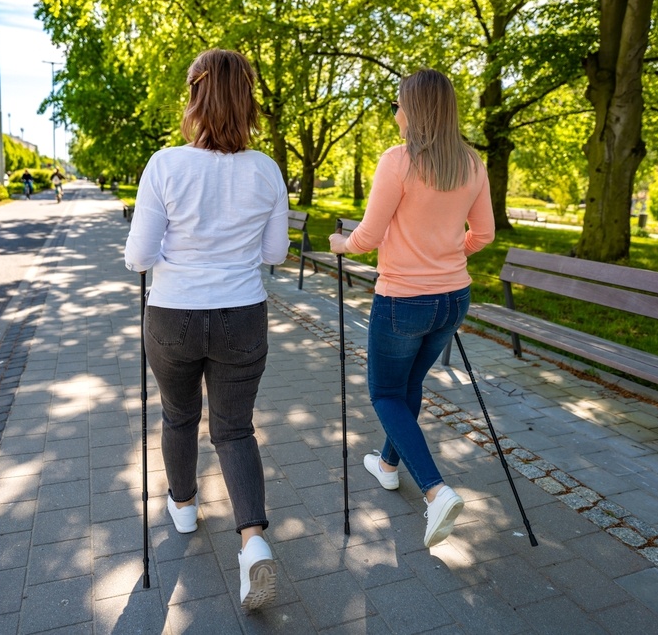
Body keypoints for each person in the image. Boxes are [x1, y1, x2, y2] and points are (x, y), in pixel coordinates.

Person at [124, 48, 289, 611]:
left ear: (195, 95)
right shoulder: (266, 169)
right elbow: (275, 253)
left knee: (178, 415)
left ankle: (185, 506)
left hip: (173, 314)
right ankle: (254, 541)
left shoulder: (166, 164)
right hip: (243, 313)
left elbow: (139, 258)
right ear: (247, 100)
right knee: (235, 429)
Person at [329, 68, 495, 548]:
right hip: (454, 299)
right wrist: (445, 255)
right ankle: (386, 465)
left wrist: (338, 243)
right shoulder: (471, 164)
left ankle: (435, 490)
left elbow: (367, 238)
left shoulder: (398, 161)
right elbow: (482, 235)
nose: (396, 113)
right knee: (409, 386)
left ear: (415, 111)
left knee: (384, 392)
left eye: (400, 104)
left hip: (404, 300)